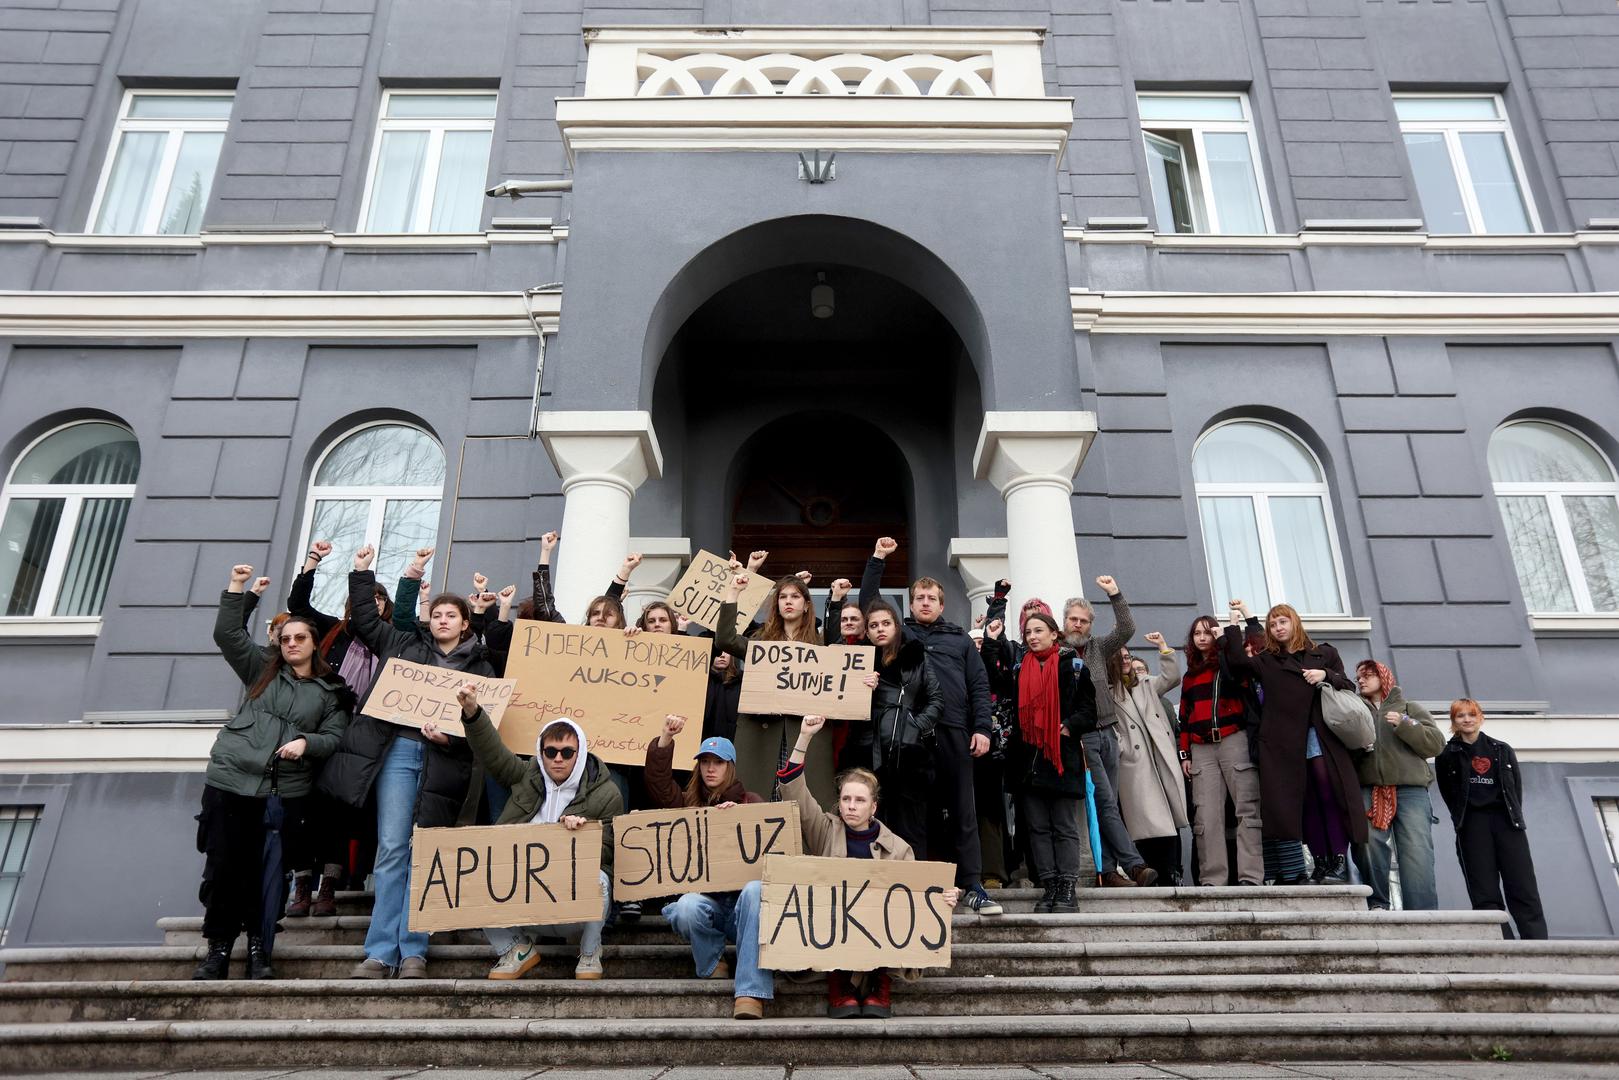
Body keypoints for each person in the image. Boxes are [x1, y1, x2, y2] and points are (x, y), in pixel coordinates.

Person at [317, 545, 496, 979]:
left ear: (465, 623)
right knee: (393, 848)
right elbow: (363, 618)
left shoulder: (482, 667)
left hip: (445, 762)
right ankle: (380, 952)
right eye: (436, 614)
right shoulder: (401, 642)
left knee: (425, 853)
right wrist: (362, 572)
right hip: (398, 752)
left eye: (451, 615)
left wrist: (451, 736)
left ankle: (414, 948)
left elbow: (485, 729)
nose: (442, 620)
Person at [194, 564, 348, 980]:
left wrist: (307, 743)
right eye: (285, 639)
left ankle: (261, 951)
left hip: (284, 793)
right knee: (225, 869)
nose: (292, 643)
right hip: (230, 783)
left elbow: (335, 736)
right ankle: (218, 952)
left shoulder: (331, 690)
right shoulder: (261, 668)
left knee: (269, 876)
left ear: (315, 643)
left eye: (300, 638)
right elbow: (227, 634)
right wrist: (239, 589)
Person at [780, 713, 960, 1018]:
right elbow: (793, 791)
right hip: (833, 932)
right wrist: (805, 738)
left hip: (878, 937)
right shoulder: (824, 829)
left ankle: (879, 981)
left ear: (873, 806)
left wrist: (943, 901)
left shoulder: (899, 848)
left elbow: (915, 902)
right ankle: (840, 981)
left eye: (859, 800)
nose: (851, 805)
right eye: (846, 798)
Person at [436, 687, 623, 977]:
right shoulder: (525, 777)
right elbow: (493, 753)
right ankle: (515, 949)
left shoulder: (606, 793)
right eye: (550, 751)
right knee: (474, 874)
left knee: (600, 880)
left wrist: (582, 837)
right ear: (541, 752)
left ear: (580, 753)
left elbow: (612, 853)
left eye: (567, 752)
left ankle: (589, 952)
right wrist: (473, 714)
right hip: (524, 897)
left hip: (572, 905)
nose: (558, 759)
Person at [859, 537, 1000, 916]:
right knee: (911, 811)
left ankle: (971, 883)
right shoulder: (901, 633)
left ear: (941, 604)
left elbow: (979, 685)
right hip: (909, 736)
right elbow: (869, 605)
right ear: (911, 602)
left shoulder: (960, 640)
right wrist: (878, 560)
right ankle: (913, 882)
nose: (924, 603)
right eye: (918, 597)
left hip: (955, 729)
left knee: (962, 809)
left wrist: (982, 729)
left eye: (931, 598)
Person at [1222, 599, 1364, 885]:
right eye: (1273, 624)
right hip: (1285, 744)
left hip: (1321, 736)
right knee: (1304, 802)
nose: (1278, 627)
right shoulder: (1267, 660)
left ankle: (1337, 859)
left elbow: (1348, 686)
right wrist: (1235, 623)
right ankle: (1321, 862)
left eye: (1283, 622)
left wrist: (1326, 675)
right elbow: (1238, 662)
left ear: (1295, 622)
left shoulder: (1323, 653)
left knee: (1328, 796)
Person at [284, 540, 392, 915]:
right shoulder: (333, 631)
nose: (373, 603)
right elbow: (298, 608)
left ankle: (330, 885)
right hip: (319, 728)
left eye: (381, 599)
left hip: (364, 736)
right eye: (369, 597)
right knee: (303, 810)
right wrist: (313, 562)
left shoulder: (391, 641)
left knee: (341, 812)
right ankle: (301, 886)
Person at [644, 715, 771, 1019]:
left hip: (744, 908)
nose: (711, 768)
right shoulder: (687, 804)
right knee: (685, 906)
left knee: (756, 890)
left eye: (719, 762)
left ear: (731, 767)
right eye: (705, 762)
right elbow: (659, 785)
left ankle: (751, 992)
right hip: (710, 905)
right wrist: (665, 739)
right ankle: (713, 963)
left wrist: (741, 815)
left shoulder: (751, 801)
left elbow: (770, 856)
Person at [981, 612, 1098, 913]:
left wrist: (1069, 726)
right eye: (1028, 632)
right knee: (1037, 828)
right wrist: (993, 640)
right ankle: (1049, 886)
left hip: (1059, 758)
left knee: (1063, 827)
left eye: (1038, 631)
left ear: (1054, 634)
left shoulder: (1072, 667)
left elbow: (1089, 711)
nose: (1032, 636)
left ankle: (1067, 887)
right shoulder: (1021, 669)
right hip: (1028, 761)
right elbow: (996, 678)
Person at [1062, 582, 1155, 887]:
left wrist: (1115, 594)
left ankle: (1109, 871)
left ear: (1090, 625)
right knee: (1103, 800)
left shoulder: (1098, 648)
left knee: (1108, 803)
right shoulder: (1058, 653)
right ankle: (1135, 864)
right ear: (1064, 622)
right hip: (1083, 737)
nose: (1078, 624)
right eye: (1073, 619)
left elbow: (1127, 628)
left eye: (1084, 620)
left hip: (1108, 733)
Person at [716, 567, 832, 804]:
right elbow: (725, 639)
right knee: (761, 804)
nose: (788, 602)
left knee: (805, 808)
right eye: (783, 597)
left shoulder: (822, 646)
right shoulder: (760, 641)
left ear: (807, 605)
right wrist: (734, 592)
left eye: (795, 596)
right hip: (762, 736)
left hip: (803, 736)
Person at [1435, 699, 1547, 939]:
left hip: (1507, 823)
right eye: (1460, 715)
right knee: (1483, 890)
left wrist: (1511, 817)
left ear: (1481, 717)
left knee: (1523, 886)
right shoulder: (1447, 755)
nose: (1467, 719)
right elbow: (1448, 792)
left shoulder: (1501, 749)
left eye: (1472, 714)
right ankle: (1502, 943)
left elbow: (1515, 789)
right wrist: (1462, 819)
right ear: (1453, 721)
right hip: (1473, 825)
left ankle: (1536, 943)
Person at [843, 599, 944, 856]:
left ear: (897, 627)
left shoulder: (916, 656)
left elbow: (936, 698)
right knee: (873, 825)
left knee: (911, 826)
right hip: (868, 752)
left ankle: (913, 888)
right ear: (866, 631)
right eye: (873, 625)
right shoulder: (857, 661)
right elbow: (843, 704)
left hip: (909, 753)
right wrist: (861, 688)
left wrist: (916, 725)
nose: (880, 629)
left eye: (886, 623)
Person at [1351, 659, 1444, 911]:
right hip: (1370, 788)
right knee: (1366, 844)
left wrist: (1405, 723)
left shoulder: (1409, 708)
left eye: (1368, 675)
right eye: (1358, 676)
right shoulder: (1355, 709)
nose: (1361, 680)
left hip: (1410, 790)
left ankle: (1422, 911)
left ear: (1384, 677)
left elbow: (1436, 744)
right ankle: (1377, 904)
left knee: (1416, 851)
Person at [1177, 615, 1264, 887]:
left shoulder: (1230, 666)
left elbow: (1253, 652)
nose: (1202, 638)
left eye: (1207, 633)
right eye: (1196, 634)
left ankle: (1251, 877)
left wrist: (1234, 631)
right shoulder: (1190, 677)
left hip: (1234, 740)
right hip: (1201, 748)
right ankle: (1212, 880)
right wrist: (1185, 754)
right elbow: (1184, 719)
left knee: (1247, 810)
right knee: (1206, 816)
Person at [1106, 634, 1187, 886]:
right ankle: (1148, 871)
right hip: (1134, 763)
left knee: (1165, 820)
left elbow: (1171, 678)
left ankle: (1169, 873)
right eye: (1120, 658)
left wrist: (1164, 649)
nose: (1126, 661)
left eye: (1128, 656)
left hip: (1157, 757)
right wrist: (1120, 746)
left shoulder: (1144, 683)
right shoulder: (1109, 691)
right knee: (1144, 822)